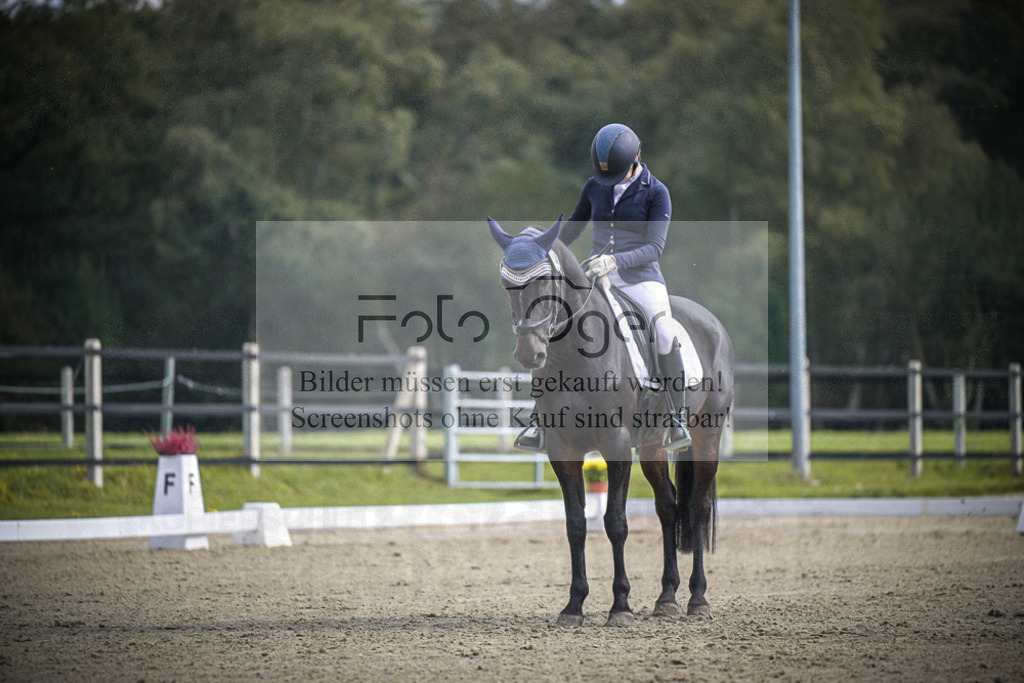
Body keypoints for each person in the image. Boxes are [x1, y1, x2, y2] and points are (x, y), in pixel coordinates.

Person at [516, 122, 692, 452]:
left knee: (665, 331)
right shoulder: (595, 185)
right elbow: (572, 230)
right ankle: (541, 418)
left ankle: (675, 417)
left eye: (619, 175)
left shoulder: (657, 192)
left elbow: (655, 247)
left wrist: (615, 261)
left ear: (637, 158)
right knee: (555, 325)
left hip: (641, 279)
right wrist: (543, 249)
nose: (611, 182)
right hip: (594, 276)